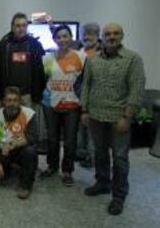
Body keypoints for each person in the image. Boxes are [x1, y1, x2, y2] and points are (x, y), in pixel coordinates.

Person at [81, 23, 146, 215]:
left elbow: (137, 89)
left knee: (119, 158)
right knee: (99, 153)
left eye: (116, 33)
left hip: (119, 117)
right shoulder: (93, 60)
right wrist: (84, 110)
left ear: (122, 36)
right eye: (107, 34)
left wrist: (127, 116)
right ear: (102, 36)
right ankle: (102, 183)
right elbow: (86, 86)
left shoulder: (133, 59)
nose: (111, 37)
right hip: (95, 116)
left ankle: (119, 196)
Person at [39, 25, 86, 186]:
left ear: (71, 37)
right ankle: (52, 166)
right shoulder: (47, 58)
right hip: (50, 104)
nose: (62, 39)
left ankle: (67, 171)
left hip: (72, 106)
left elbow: (85, 82)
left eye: (65, 36)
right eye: (59, 37)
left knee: (70, 141)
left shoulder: (81, 57)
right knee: (52, 139)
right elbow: (43, 80)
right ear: (54, 39)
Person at [0, 87, 39, 199]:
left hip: (21, 149)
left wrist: (12, 144)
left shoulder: (29, 114)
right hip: (3, 151)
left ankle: (26, 186)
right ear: (3, 102)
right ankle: (12, 169)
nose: (12, 103)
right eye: (9, 100)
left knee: (30, 151)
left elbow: (32, 137)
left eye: (15, 100)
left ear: (19, 101)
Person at [0, 12, 46, 108]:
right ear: (12, 27)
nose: (21, 29)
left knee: (28, 123)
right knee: (9, 123)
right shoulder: (3, 45)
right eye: (18, 25)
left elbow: (40, 72)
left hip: (28, 96)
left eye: (24, 25)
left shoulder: (34, 45)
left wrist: (37, 97)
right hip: (9, 95)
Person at [76, 23, 101, 168]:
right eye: (84, 33)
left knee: (93, 131)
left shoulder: (104, 52)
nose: (87, 36)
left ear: (98, 35)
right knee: (81, 128)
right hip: (79, 97)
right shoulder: (79, 51)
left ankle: (93, 158)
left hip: (96, 98)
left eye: (91, 33)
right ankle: (82, 154)